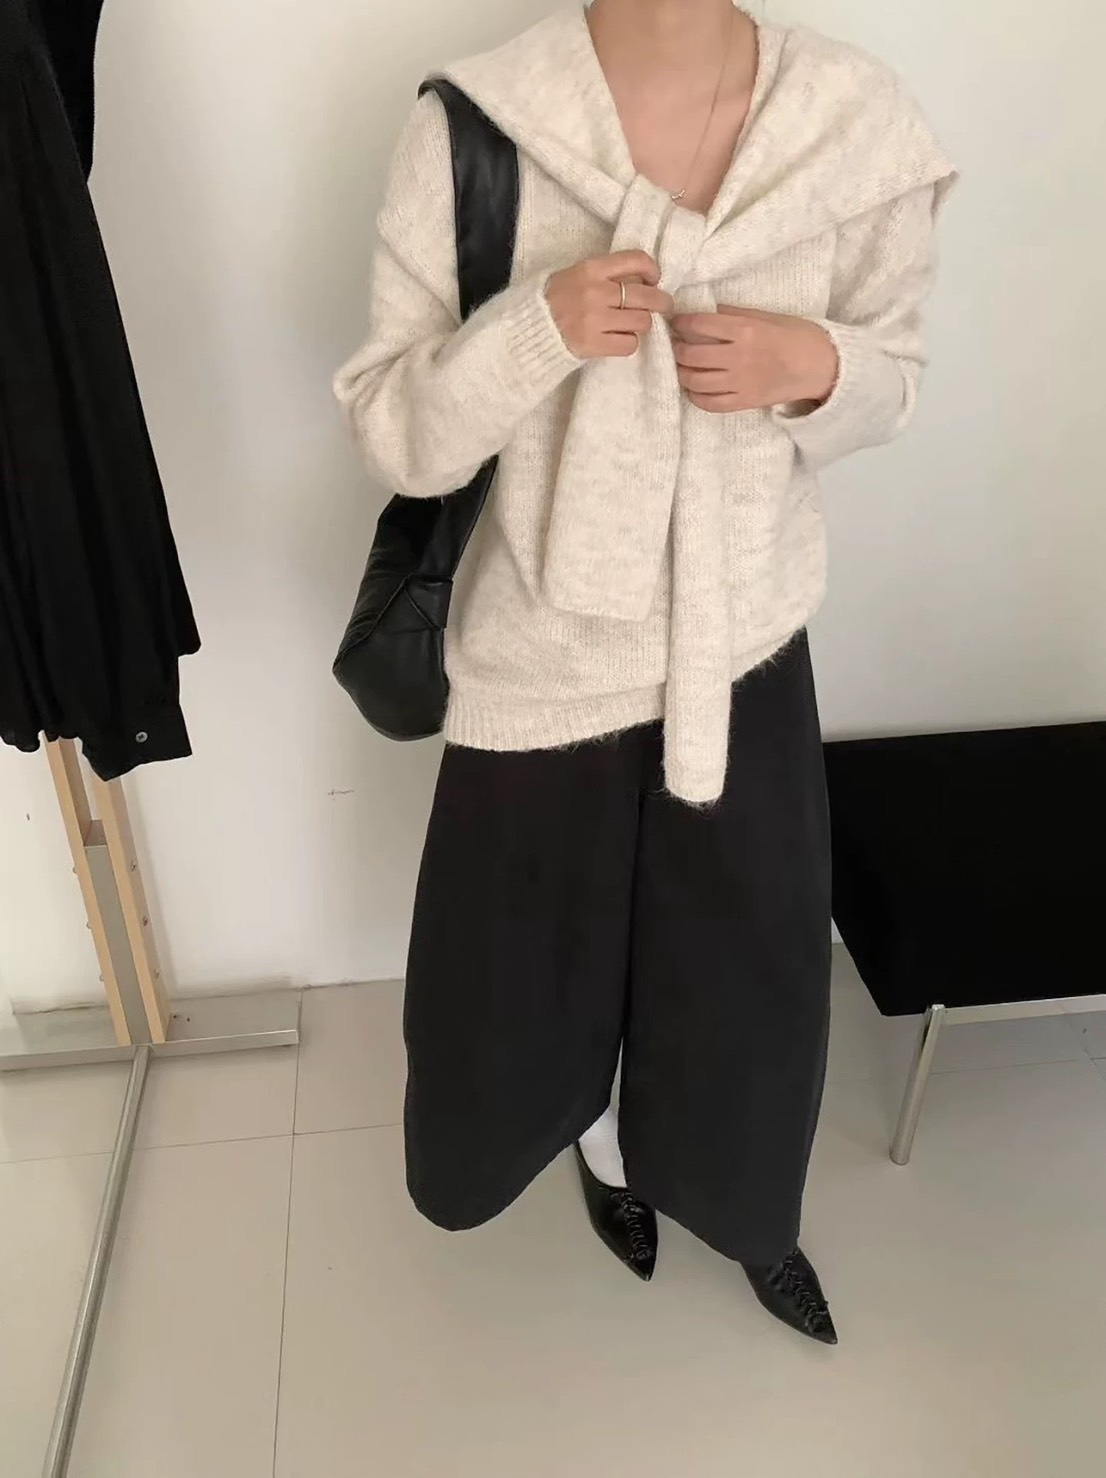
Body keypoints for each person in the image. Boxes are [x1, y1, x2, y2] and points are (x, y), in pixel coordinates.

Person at [335, 0, 955, 1345]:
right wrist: (536, 330)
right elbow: (394, 429)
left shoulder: (850, 121)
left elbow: (895, 375)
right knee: (519, 993)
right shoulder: (480, 127)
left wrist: (817, 365)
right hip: (539, 665)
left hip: (744, 652)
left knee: (745, 982)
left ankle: (748, 1212)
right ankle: (602, 1155)